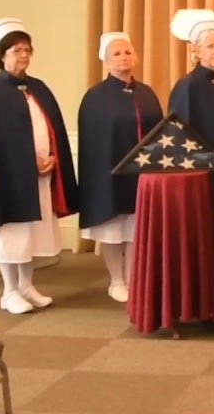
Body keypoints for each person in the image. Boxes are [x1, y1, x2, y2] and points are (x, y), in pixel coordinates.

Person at [0, 18, 79, 314]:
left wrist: (53, 156)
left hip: (40, 177)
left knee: (34, 234)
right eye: (17, 50)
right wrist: (29, 162)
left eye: (28, 49)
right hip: (8, 179)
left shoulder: (38, 88)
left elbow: (53, 129)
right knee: (12, 235)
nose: (24, 55)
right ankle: (9, 291)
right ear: (2, 55)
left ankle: (27, 286)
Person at [76, 32, 164, 303]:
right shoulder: (95, 97)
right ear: (106, 60)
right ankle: (116, 280)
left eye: (127, 52)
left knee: (135, 229)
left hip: (141, 175)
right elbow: (92, 144)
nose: (124, 57)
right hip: (109, 175)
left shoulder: (146, 93)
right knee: (113, 230)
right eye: (117, 53)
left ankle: (133, 280)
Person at [166, 9, 214, 208]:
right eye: (210, 46)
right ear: (197, 51)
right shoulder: (188, 85)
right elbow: (180, 133)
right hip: (200, 168)